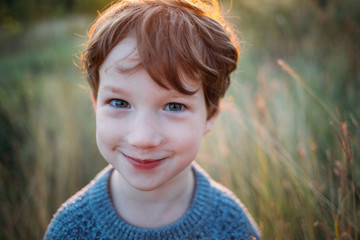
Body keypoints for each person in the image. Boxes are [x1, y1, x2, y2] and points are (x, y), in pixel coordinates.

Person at [44, 0, 262, 239]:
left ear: (210, 116)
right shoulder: (71, 229)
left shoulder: (232, 226)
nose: (142, 139)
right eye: (119, 103)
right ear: (96, 104)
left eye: (174, 106)